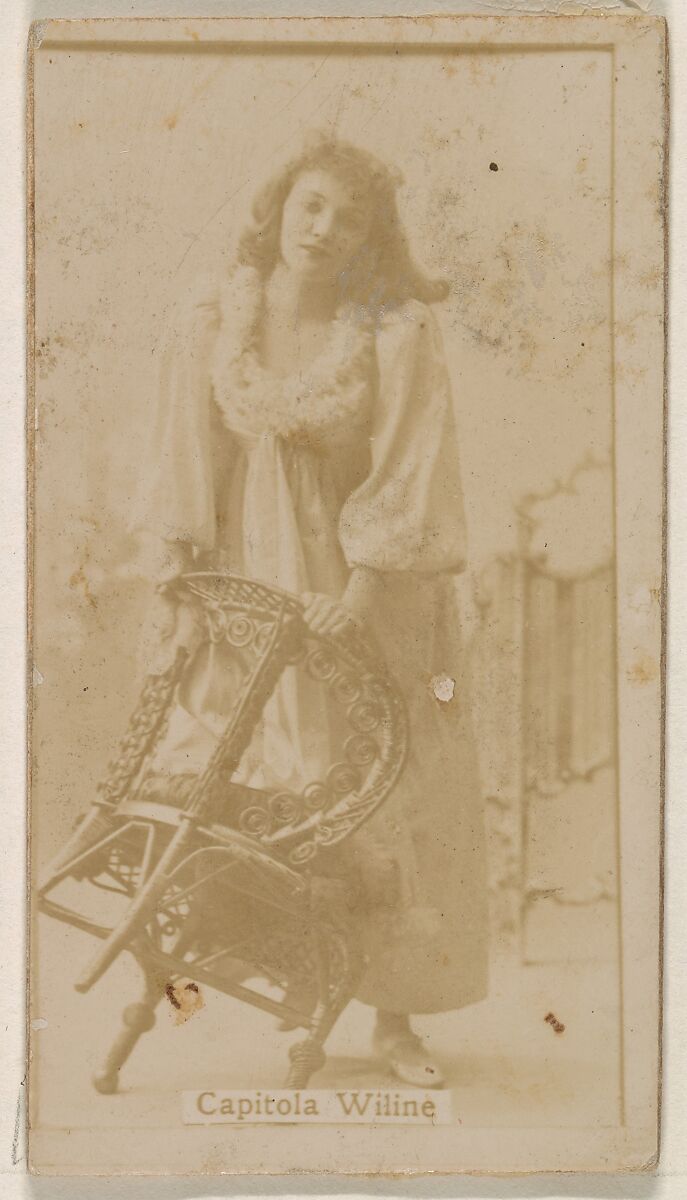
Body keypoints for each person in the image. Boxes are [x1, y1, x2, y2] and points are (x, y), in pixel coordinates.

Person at [131, 132, 488, 1088]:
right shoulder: (217, 315)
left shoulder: (394, 331)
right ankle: (292, 987)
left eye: (349, 218)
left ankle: (395, 1020)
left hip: (357, 588)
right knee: (254, 783)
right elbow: (186, 459)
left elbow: (411, 467)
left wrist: (356, 595)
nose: (324, 229)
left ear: (372, 237)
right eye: (311, 206)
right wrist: (183, 592)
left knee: (374, 782)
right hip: (247, 590)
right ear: (279, 207)